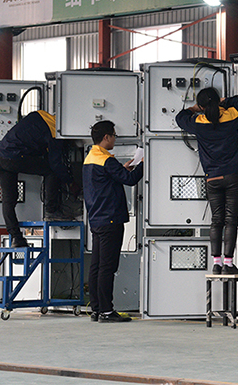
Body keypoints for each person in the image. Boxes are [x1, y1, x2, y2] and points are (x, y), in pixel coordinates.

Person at [176, 88, 238, 275]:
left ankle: (216, 264)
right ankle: (228, 264)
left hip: (213, 178)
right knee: (231, 220)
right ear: (218, 101)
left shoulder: (198, 123)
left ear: (202, 106)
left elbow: (180, 118)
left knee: (216, 220)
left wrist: (193, 109)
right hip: (234, 175)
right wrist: (226, 101)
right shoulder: (231, 116)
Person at [83, 120, 143, 323]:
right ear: (106, 137)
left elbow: (108, 179)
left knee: (97, 266)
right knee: (107, 267)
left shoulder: (91, 158)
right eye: (114, 135)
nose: (115, 139)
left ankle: (97, 309)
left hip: (97, 219)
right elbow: (130, 180)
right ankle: (107, 312)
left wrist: (122, 169)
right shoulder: (106, 160)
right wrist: (144, 163)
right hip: (110, 220)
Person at [0, 109, 76, 248]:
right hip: (14, 158)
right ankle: (51, 211)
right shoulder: (55, 133)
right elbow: (55, 164)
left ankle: (16, 238)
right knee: (51, 171)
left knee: (9, 199)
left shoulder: (39, 114)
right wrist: (70, 182)